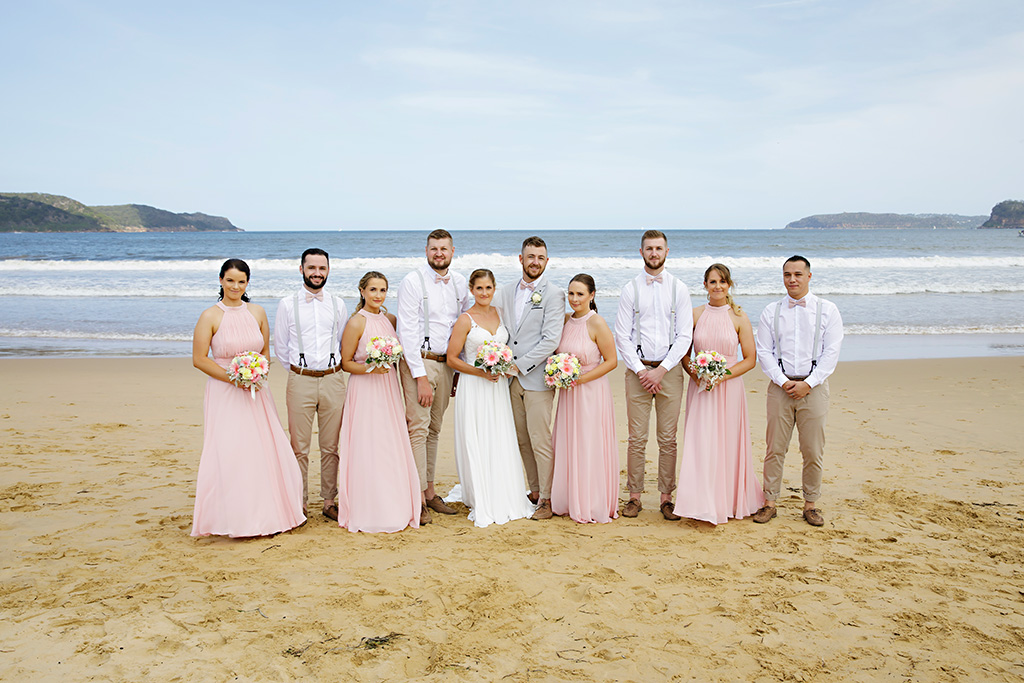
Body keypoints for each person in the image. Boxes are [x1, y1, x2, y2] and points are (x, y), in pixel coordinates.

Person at [191, 259, 305, 537]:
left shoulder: (257, 312)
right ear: (220, 281)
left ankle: (270, 513)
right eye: (230, 280)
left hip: (257, 392)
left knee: (263, 449)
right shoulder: (210, 316)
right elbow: (199, 359)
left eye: (241, 281)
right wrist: (234, 378)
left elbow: (265, 351)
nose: (235, 286)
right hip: (225, 392)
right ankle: (234, 518)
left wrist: (255, 374)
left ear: (247, 283)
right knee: (232, 451)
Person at [754, 255, 844, 527]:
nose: (792, 280)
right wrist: (783, 381)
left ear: (809, 276)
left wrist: (809, 383)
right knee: (775, 448)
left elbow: (831, 352)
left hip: (813, 388)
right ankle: (770, 502)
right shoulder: (771, 311)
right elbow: (764, 352)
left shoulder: (827, 310)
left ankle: (811, 504)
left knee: (813, 450)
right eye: (787, 275)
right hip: (780, 387)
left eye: (797, 274)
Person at [673, 264, 764, 524]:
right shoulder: (694, 314)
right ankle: (699, 501)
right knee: (701, 442)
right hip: (700, 388)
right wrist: (697, 375)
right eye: (712, 282)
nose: (717, 286)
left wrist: (722, 377)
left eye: (722, 282)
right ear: (704, 285)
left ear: (729, 284)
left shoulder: (738, 317)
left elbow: (749, 359)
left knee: (727, 440)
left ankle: (727, 501)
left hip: (729, 388)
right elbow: (684, 354)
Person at [444, 269, 535, 528]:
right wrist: (480, 372)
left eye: (488, 288)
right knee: (478, 436)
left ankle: (503, 487)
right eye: (479, 288)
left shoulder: (500, 314)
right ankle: (481, 491)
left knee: (499, 436)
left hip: (497, 388)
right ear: (471, 290)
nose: (484, 293)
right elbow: (453, 358)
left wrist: (503, 368)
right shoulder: (465, 320)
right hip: (474, 386)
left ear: (494, 289)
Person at [614, 230, 693, 520]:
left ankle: (666, 498)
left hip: (669, 371)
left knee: (668, 438)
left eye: (659, 248)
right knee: (636, 437)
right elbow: (622, 335)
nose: (654, 253)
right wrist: (641, 370)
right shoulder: (630, 289)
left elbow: (685, 335)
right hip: (638, 370)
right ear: (641, 252)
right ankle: (634, 497)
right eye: (649, 248)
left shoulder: (679, 289)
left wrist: (661, 370)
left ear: (667, 252)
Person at [336, 272, 420, 533]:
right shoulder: (356, 323)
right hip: (365, 389)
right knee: (367, 443)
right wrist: (371, 368)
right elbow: (346, 362)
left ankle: (395, 503)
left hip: (389, 388)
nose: (378, 295)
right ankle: (368, 506)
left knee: (389, 443)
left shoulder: (391, 320)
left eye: (383, 290)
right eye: (373, 289)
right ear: (362, 291)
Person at [396, 229, 471, 525]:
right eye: (434, 248)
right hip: (421, 362)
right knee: (418, 428)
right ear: (426, 251)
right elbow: (407, 331)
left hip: (446, 363)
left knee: (435, 429)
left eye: (444, 249)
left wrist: (458, 368)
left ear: (453, 251)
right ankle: (416, 498)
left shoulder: (461, 283)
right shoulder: (412, 281)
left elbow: (464, 326)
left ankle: (429, 492)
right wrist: (420, 377)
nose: (439, 253)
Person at [274, 248, 348, 521]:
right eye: (312, 268)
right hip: (300, 380)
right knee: (299, 447)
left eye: (322, 268)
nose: (317, 273)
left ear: (328, 270)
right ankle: (299, 502)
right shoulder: (287, 304)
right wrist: (300, 371)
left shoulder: (338, 304)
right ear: (302, 269)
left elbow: (342, 342)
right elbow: (281, 347)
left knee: (331, 446)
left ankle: (329, 501)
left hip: (333, 379)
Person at [496, 236, 565, 520]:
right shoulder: (505, 291)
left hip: (536, 380)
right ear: (520, 259)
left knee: (540, 440)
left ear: (546, 262)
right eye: (530, 256)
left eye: (540, 257)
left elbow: (550, 340)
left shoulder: (554, 294)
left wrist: (519, 365)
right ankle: (534, 491)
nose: (534, 261)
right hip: (510, 381)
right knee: (522, 440)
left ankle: (548, 498)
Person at [550, 274, 619, 524]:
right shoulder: (566, 320)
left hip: (590, 392)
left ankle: (591, 502)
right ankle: (569, 498)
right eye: (571, 294)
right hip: (569, 393)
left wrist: (581, 380)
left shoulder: (597, 322)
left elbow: (611, 361)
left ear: (592, 295)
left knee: (589, 444)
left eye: (580, 294)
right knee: (570, 442)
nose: (574, 299)